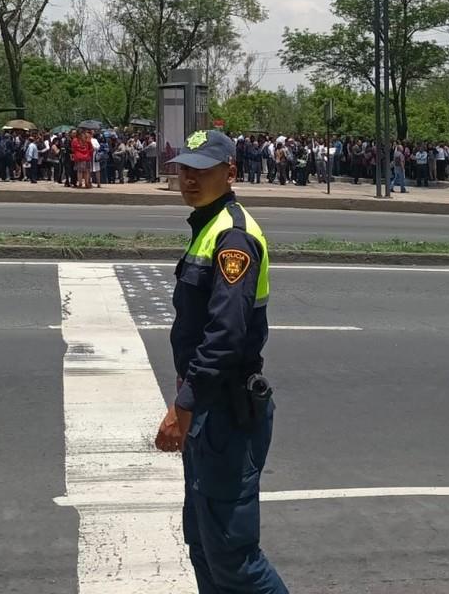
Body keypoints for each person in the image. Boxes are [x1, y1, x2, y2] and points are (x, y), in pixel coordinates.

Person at [154, 130, 289, 594]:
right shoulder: (207, 226)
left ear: (230, 172)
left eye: (202, 170)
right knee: (202, 542)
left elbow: (225, 336)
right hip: (209, 409)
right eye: (185, 169)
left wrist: (184, 406)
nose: (189, 179)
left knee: (234, 557)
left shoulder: (233, 236)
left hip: (225, 411)